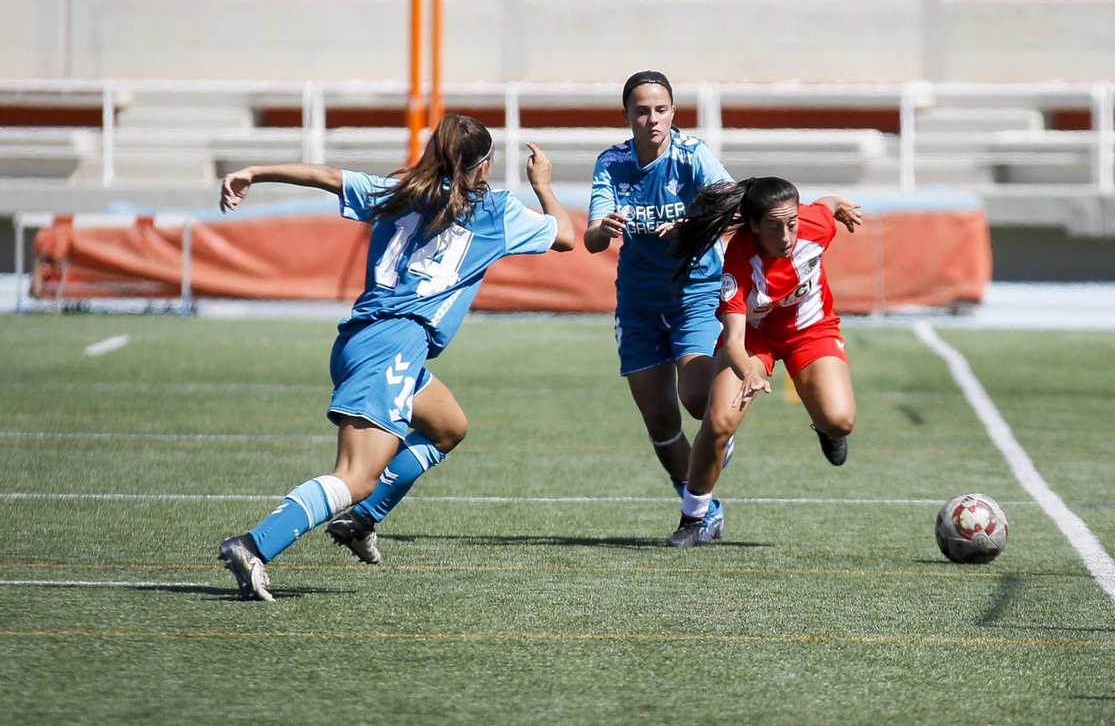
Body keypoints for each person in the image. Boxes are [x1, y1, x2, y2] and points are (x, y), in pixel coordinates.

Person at [215, 115, 576, 600]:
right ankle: (255, 545)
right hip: (394, 345)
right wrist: (544, 185)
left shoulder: (398, 189)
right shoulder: (496, 212)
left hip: (362, 338)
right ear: (484, 168)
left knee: (447, 427)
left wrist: (253, 172)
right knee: (355, 475)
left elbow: (327, 176)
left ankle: (361, 521)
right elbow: (568, 235)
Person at [662, 177, 863, 548]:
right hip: (754, 337)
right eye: (774, 227)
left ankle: (825, 428)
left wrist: (840, 205)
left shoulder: (813, 225)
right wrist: (750, 372)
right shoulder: (738, 261)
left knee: (840, 420)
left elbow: (827, 205)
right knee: (718, 421)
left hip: (810, 327)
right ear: (753, 226)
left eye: (791, 224)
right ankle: (693, 518)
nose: (786, 235)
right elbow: (734, 341)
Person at [585, 71, 736, 526]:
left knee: (697, 400)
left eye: (661, 109)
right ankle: (701, 507)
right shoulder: (611, 163)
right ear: (627, 116)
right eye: (642, 111)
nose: (652, 119)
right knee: (660, 422)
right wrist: (603, 229)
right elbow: (591, 239)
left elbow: (733, 205)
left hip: (695, 291)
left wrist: (693, 224)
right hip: (638, 303)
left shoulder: (693, 156)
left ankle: (721, 433)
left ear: (673, 112)